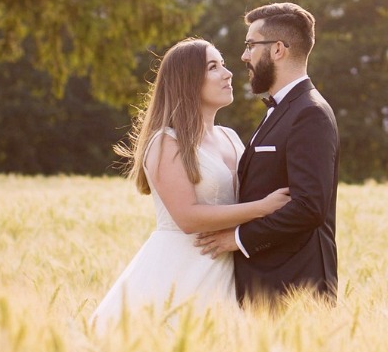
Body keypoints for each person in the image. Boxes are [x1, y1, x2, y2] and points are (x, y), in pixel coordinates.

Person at [88, 38, 291, 331]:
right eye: (213, 67)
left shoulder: (231, 137)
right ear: (188, 80)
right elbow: (187, 217)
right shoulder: (166, 142)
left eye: (223, 64)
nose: (228, 73)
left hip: (229, 267)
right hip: (180, 268)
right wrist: (262, 208)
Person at [195, 2, 340, 304]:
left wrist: (237, 239)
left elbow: (308, 207)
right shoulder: (283, 109)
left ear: (277, 50)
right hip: (265, 284)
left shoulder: (309, 113)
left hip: (294, 287)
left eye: (250, 45)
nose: (244, 56)